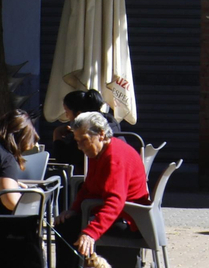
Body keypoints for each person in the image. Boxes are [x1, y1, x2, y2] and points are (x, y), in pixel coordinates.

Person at [54, 112, 148, 268]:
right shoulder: (97, 152)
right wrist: (74, 210)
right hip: (117, 214)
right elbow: (88, 187)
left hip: (129, 220)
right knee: (66, 223)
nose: (79, 147)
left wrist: (91, 232)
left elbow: (115, 202)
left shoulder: (115, 158)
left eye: (84, 141)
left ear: (101, 135)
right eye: (77, 141)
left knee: (68, 229)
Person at [48, 88, 114, 169]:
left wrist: (57, 135)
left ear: (78, 114)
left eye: (67, 112)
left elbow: (63, 159)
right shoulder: (111, 121)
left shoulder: (86, 132)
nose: (66, 116)